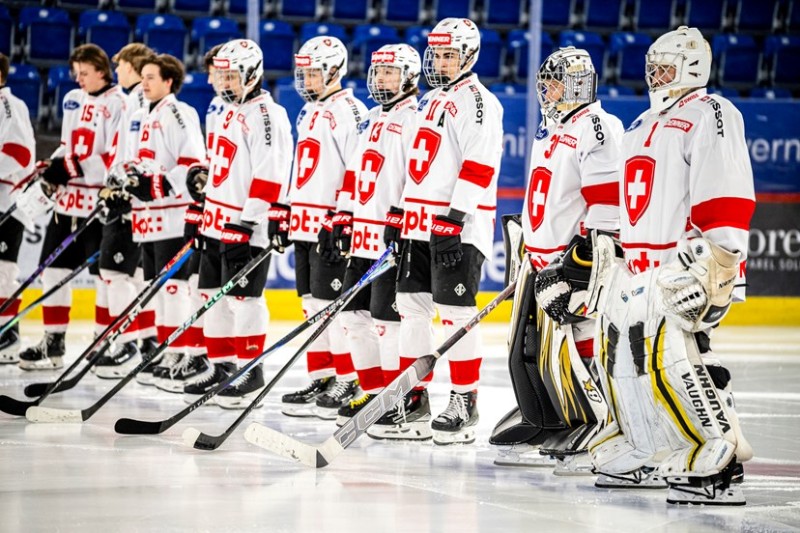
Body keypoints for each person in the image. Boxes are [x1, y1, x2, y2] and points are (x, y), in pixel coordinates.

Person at [584, 26, 755, 505]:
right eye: (653, 66)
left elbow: (725, 191)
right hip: (637, 273)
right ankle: (646, 447)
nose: (655, 75)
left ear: (693, 67)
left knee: (685, 359)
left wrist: (719, 262)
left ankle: (719, 456)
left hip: (682, 267)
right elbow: (627, 201)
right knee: (621, 364)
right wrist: (611, 250)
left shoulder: (711, 112)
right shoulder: (641, 123)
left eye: (666, 67)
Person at [372, 18, 504, 445]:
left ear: (468, 56)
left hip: (457, 229)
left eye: (450, 55)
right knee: (411, 310)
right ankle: (413, 398)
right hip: (417, 224)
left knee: (456, 315)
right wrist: (397, 211)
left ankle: (465, 401)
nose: (442, 62)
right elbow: (415, 166)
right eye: (438, 55)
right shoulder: (428, 102)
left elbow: (479, 165)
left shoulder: (480, 102)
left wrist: (454, 217)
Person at [491, 47, 623, 468]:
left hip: (571, 263)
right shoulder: (551, 128)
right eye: (544, 82)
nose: (546, 90)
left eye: (554, 82)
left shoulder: (597, 126)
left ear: (578, 84)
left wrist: (579, 265)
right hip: (539, 259)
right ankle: (549, 419)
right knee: (529, 351)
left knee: (579, 345)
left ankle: (600, 422)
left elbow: (605, 208)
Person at [184, 39, 293, 409]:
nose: (225, 83)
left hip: (245, 227)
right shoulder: (230, 111)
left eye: (232, 76)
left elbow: (270, 175)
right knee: (213, 299)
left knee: (244, 300)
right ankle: (221, 366)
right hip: (217, 222)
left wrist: (246, 223)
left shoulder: (267, 113)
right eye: (221, 75)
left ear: (251, 74)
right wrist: (203, 204)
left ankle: (251, 371)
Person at [328, 44, 421, 427]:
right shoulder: (368, 117)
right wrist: (343, 216)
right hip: (362, 234)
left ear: (410, 76)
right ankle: (370, 392)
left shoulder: (415, 116)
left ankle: (395, 397)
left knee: (388, 322)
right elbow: (353, 173)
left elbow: (417, 175)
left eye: (390, 72)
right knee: (352, 315)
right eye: (378, 71)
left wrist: (402, 217)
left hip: (391, 235)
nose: (381, 79)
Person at [18, 44, 125, 370]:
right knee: (52, 272)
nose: (78, 79)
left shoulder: (118, 103)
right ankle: (54, 341)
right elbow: (67, 144)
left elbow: (113, 157)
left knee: (104, 277)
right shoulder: (73, 99)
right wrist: (52, 164)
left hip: (96, 205)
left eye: (84, 73)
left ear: (102, 71)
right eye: (75, 73)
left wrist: (73, 168)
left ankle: (103, 340)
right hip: (67, 204)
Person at [280, 36, 368, 419]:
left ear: (334, 70)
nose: (306, 79)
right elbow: (302, 169)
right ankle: (323, 374)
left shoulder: (349, 110)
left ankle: (348, 377)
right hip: (303, 219)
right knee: (310, 305)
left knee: (334, 308)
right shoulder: (309, 111)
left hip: (327, 224)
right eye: (304, 72)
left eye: (313, 72)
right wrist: (283, 208)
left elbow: (356, 168)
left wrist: (343, 216)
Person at [118, 54, 206, 391]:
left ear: (169, 81)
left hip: (172, 216)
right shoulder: (141, 115)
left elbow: (193, 162)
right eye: (143, 76)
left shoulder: (179, 112)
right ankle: (163, 349)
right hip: (147, 217)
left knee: (173, 288)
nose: (145, 82)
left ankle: (178, 351)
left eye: (151, 77)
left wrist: (158, 185)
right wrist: (128, 180)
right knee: (155, 286)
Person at [90, 43, 158, 379]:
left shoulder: (138, 101)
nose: (118, 71)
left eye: (121, 66)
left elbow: (134, 155)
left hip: (132, 201)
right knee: (132, 277)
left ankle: (129, 342)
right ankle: (146, 341)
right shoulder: (134, 100)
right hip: (129, 197)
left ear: (133, 66)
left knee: (115, 274)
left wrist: (121, 188)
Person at [174, 43, 224, 398]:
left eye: (215, 71)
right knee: (201, 289)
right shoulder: (218, 106)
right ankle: (207, 356)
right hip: (213, 212)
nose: (209, 79)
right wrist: (200, 197)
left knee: (232, 299)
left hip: (234, 218)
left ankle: (228, 364)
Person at [0, 52, 36, 364]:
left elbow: (20, 154)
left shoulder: (9, 105)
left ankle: (7, 334)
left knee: (3, 270)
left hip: (7, 204)